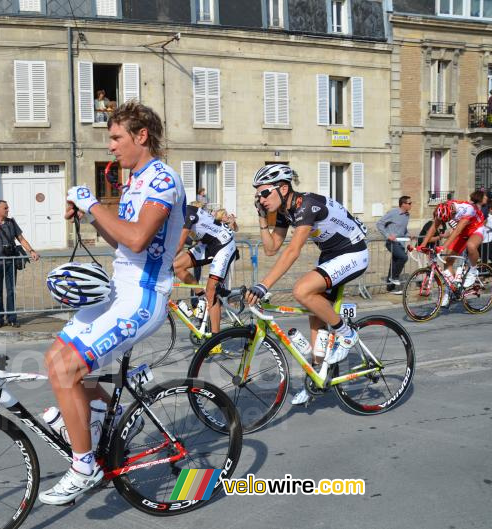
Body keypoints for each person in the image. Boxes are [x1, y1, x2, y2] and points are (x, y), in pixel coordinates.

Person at [38, 101, 185, 505]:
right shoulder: (135, 181)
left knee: (69, 370)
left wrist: (93, 205)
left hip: (141, 297)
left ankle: (84, 466)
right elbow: (120, 239)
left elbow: (137, 239)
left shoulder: (161, 180)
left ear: (142, 136)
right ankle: (103, 417)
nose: (111, 146)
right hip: (116, 290)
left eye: (117, 138)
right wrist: (91, 217)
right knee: (55, 359)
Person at [245, 163, 369, 406]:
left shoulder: (307, 206)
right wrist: (262, 217)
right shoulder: (284, 211)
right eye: (257, 195)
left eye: (264, 193)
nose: (260, 199)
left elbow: (293, 251)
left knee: (301, 290)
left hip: (353, 253)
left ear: (283, 188)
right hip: (332, 256)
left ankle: (347, 334)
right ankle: (317, 377)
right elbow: (271, 249)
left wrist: (263, 285)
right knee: (316, 316)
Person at [173, 204, 237, 334]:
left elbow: (179, 245)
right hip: (208, 244)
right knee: (176, 267)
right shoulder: (173, 215)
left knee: (211, 291)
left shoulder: (187, 212)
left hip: (224, 245)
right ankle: (202, 299)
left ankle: (215, 341)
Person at [418, 199, 485, 307]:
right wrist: (422, 245)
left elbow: (457, 231)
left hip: (477, 228)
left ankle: (473, 270)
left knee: (471, 246)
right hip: (463, 231)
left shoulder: (467, 209)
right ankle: (452, 290)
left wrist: (443, 247)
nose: (448, 221)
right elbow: (434, 227)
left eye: (448, 219)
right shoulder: (443, 209)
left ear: (452, 212)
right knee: (447, 261)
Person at [376, 196, 412, 294]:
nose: (411, 205)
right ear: (403, 204)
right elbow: (379, 223)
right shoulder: (393, 213)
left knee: (395, 262)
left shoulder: (407, 215)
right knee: (403, 258)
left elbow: (403, 229)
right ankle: (394, 277)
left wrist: (408, 235)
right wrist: (387, 235)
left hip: (401, 243)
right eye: (409, 203)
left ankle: (390, 287)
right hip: (391, 242)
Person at [480, 200, 492, 269]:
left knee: (486, 261)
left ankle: (484, 273)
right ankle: (482, 273)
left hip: (489, 242)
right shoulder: (488, 217)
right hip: (486, 242)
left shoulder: (490, 216)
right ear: (490, 208)